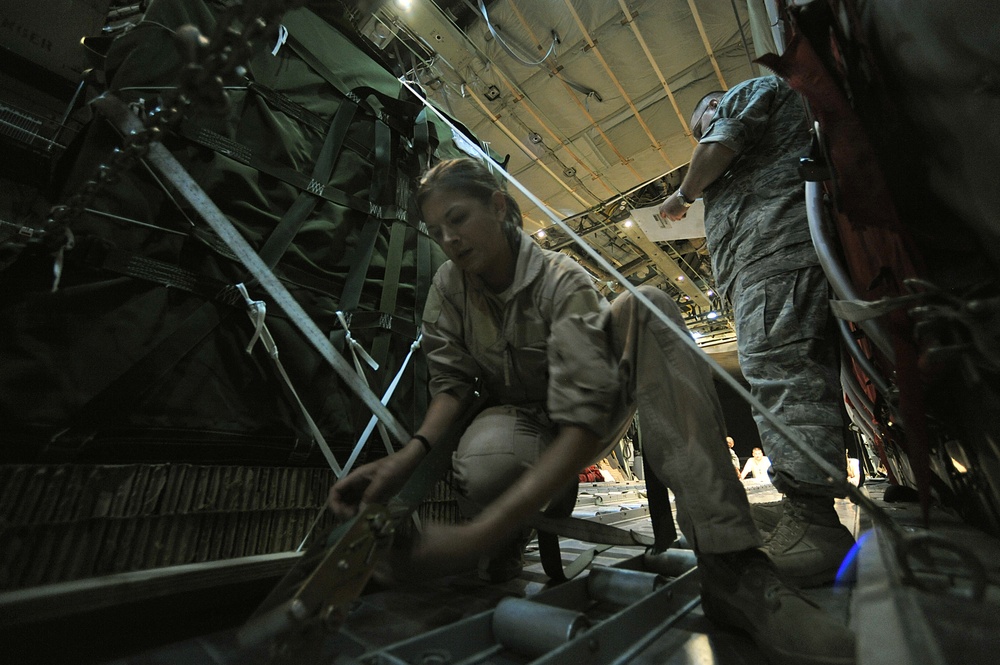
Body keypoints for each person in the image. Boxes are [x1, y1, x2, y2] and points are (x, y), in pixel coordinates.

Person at [331, 157, 854, 664]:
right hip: (519, 419)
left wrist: (474, 538)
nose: (448, 239)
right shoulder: (448, 287)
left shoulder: (561, 279)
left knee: (647, 304)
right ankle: (518, 529)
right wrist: (407, 457)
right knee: (489, 462)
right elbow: (450, 385)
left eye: (458, 219)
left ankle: (733, 568)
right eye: (436, 230)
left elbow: (584, 417)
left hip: (591, 413)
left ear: (496, 206)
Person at [659, 76, 855, 587]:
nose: (698, 134)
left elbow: (722, 138)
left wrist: (682, 195)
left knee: (780, 374)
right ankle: (807, 511)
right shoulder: (755, 118)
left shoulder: (743, 97)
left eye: (697, 124)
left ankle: (816, 527)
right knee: (789, 375)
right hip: (770, 264)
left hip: (774, 258)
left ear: (712, 107)